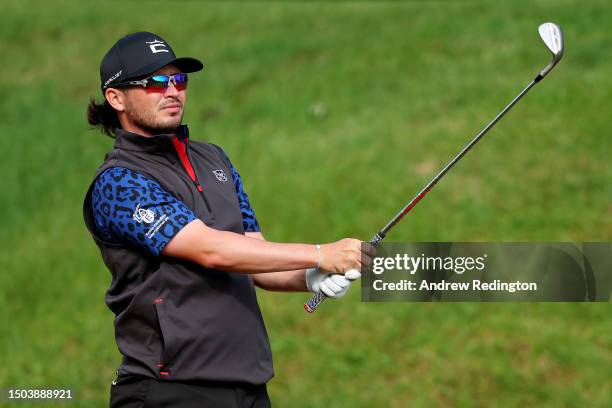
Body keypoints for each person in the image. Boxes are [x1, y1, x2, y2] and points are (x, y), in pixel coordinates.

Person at [83, 32, 373, 408]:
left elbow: (253, 256)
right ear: (116, 97)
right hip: (170, 390)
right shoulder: (117, 182)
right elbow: (210, 250)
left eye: (179, 80)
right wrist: (319, 253)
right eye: (155, 82)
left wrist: (308, 277)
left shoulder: (214, 160)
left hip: (247, 384)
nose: (172, 91)